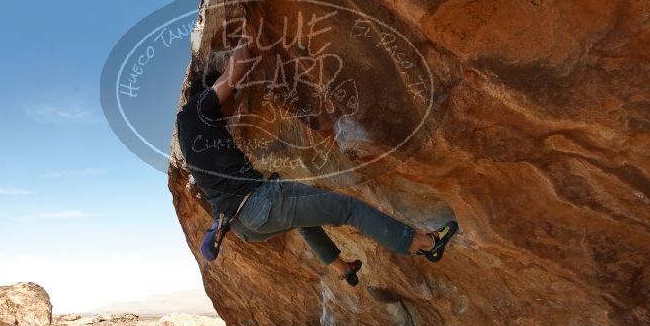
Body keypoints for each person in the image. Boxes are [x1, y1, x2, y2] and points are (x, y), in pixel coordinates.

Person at [176, 40, 458, 285]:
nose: (233, 108)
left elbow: (228, 103)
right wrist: (248, 39)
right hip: (260, 204)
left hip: (245, 227)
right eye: (229, 99)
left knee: (304, 219)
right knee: (349, 209)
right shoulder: (198, 107)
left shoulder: (192, 134)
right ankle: (426, 243)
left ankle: (343, 269)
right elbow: (232, 72)